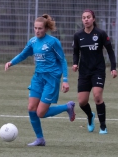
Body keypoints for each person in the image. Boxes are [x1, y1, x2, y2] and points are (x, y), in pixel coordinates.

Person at [5, 14, 76, 146]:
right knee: (31, 108)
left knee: (40, 113)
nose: (37, 31)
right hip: (38, 78)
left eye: (40, 28)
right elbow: (23, 54)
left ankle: (67, 106)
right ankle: (40, 139)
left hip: (51, 79)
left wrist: (65, 80)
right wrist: (11, 62)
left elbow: (62, 60)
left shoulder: (53, 42)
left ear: (46, 28)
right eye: (35, 28)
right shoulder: (32, 41)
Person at [72, 9, 117, 134]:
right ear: (82, 20)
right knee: (82, 102)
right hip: (84, 71)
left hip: (98, 70)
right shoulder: (78, 35)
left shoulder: (100, 33)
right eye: (84, 17)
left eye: (88, 17)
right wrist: (75, 63)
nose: (86, 19)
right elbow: (76, 52)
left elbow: (110, 51)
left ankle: (103, 126)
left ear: (93, 19)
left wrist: (113, 67)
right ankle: (90, 116)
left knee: (97, 96)